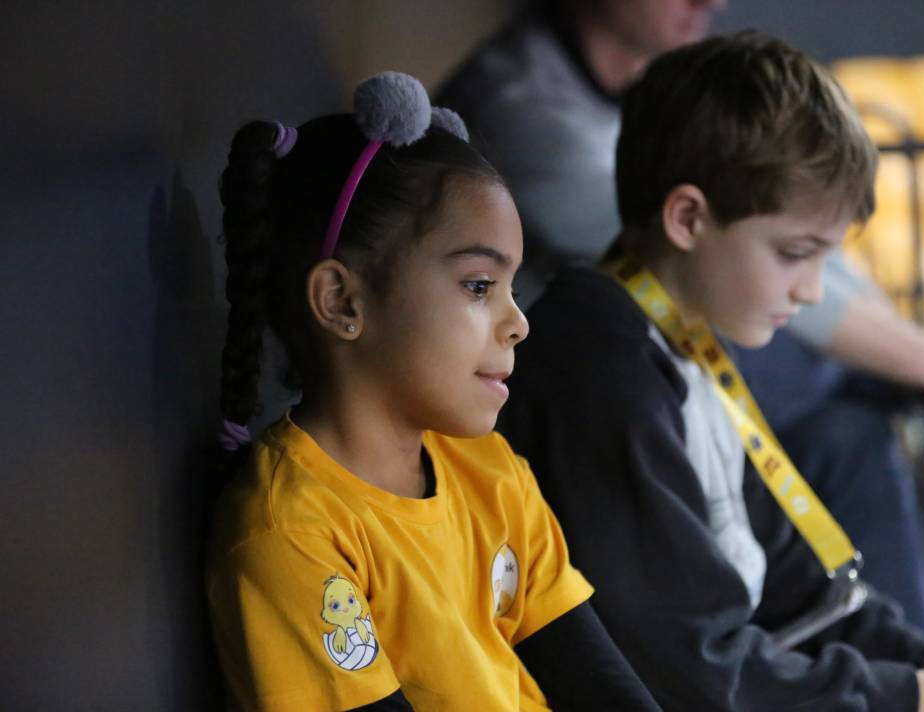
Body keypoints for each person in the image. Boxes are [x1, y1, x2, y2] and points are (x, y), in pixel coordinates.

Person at [496, 32, 924, 711]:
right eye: (796, 253)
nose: (813, 291)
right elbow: (696, 673)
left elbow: (802, 587)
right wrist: (922, 696)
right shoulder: (601, 374)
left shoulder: (686, 344)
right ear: (688, 219)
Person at [203, 72, 660, 711]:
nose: (517, 322)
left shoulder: (491, 470)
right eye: (478, 286)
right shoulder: (291, 532)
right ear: (342, 301)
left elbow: (596, 681)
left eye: (513, 290)